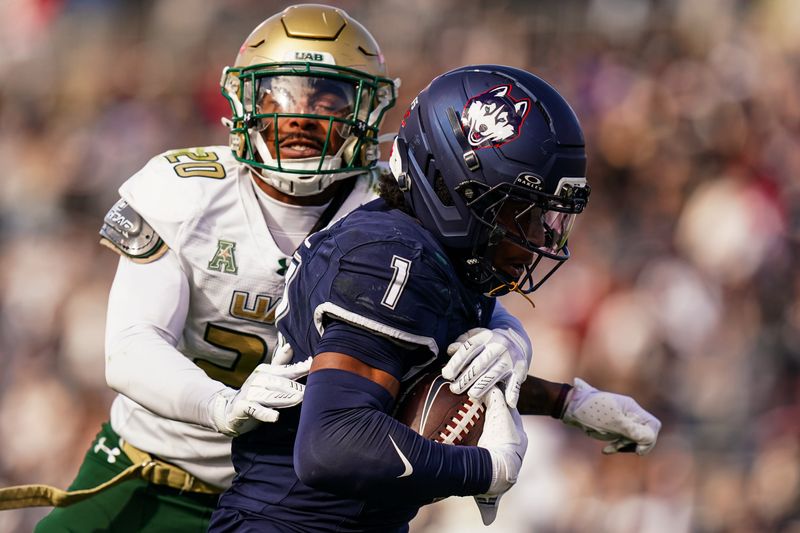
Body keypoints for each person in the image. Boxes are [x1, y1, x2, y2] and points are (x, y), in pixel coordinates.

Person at [0, 6, 532, 532]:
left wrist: (511, 341)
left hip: (287, 501)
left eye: (327, 97)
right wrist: (220, 404)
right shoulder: (186, 191)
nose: (299, 114)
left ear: (366, 111)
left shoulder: (392, 207)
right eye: (282, 92)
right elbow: (131, 346)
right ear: (243, 98)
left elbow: (470, 310)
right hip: (151, 471)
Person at [208, 64, 661, 532]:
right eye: (521, 212)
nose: (537, 237)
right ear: (450, 185)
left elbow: (423, 376)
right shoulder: (388, 258)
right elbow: (331, 445)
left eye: (546, 216)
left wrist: (566, 402)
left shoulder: (433, 254)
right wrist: (486, 471)